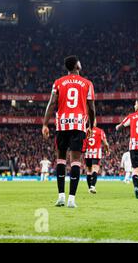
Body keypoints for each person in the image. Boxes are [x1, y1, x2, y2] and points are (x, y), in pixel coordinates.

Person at [42, 55, 96, 208]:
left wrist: (45, 124)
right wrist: (90, 125)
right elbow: (91, 108)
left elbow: (52, 103)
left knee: (60, 159)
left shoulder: (58, 82)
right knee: (76, 161)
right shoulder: (87, 83)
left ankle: (60, 197)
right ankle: (71, 199)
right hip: (79, 125)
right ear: (77, 65)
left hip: (62, 124)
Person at [84, 121, 110, 194]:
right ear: (95, 122)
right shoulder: (100, 131)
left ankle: (89, 188)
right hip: (96, 152)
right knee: (95, 169)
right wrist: (107, 150)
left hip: (87, 153)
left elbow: (82, 142)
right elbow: (105, 143)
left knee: (89, 171)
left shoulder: (85, 131)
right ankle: (92, 186)